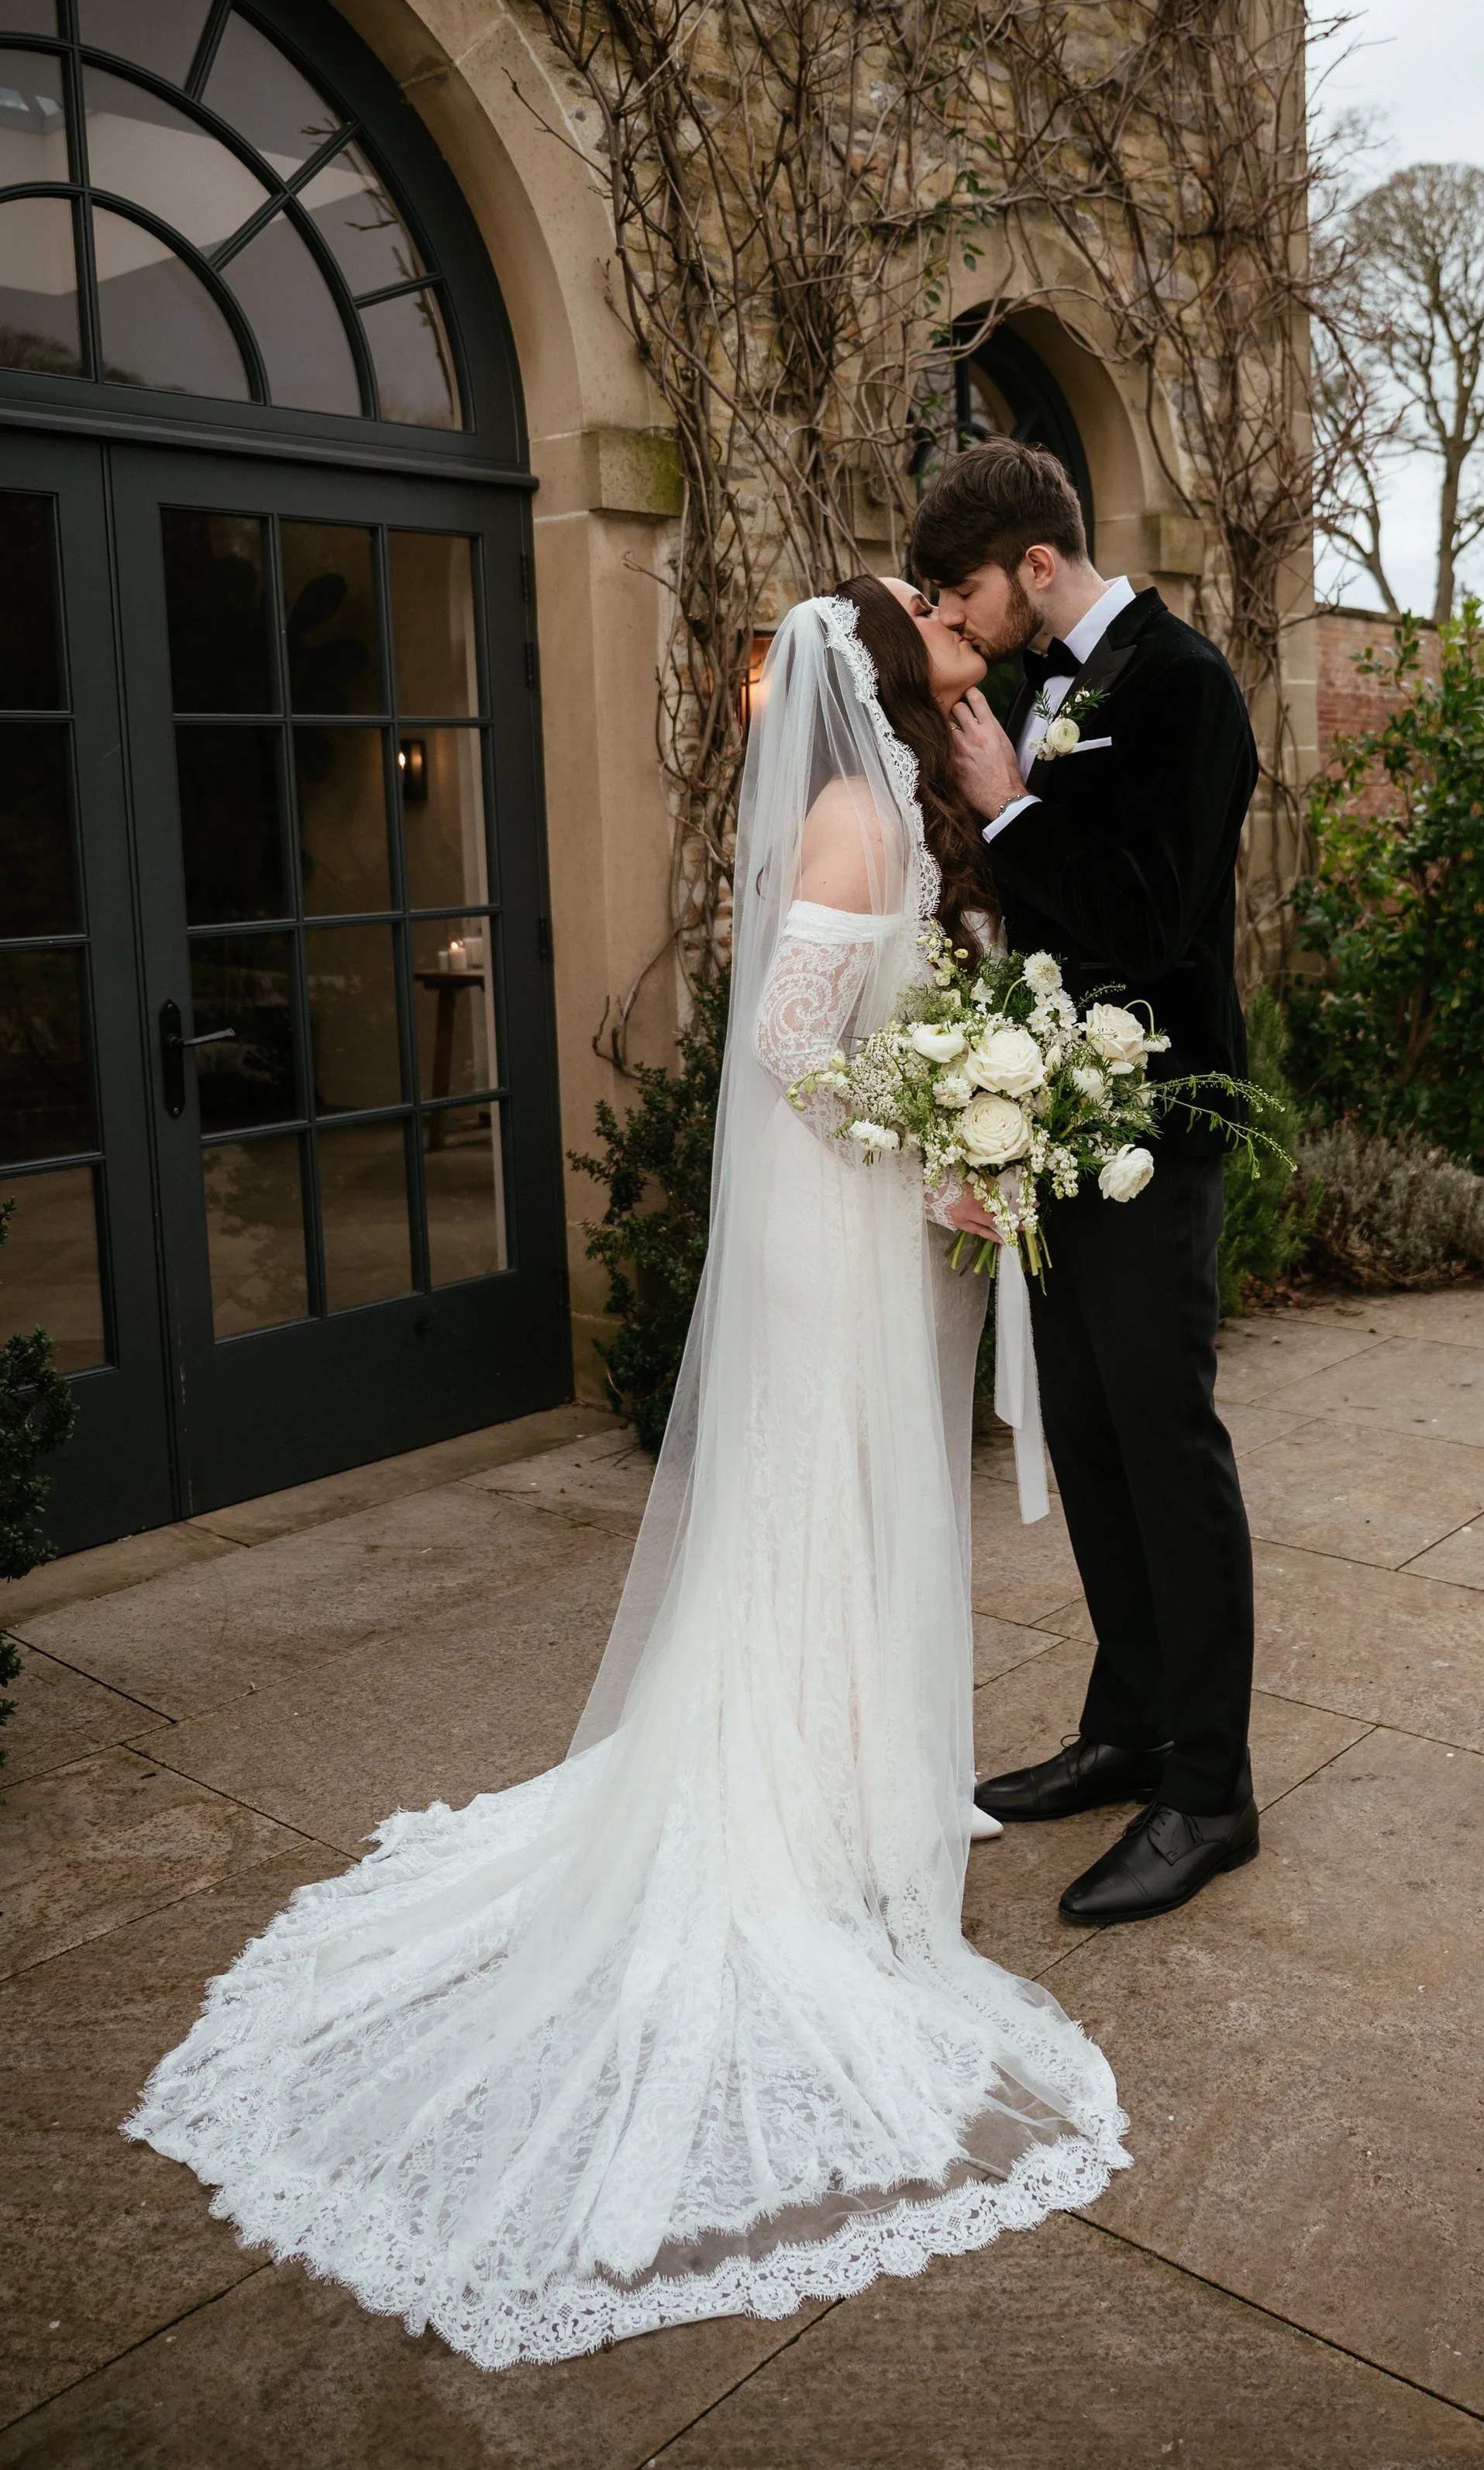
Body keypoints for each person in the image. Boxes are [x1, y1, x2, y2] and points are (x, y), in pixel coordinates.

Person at [123, 575, 1125, 2370]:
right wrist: (931, 1148)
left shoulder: (908, 795)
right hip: (842, 1216)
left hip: (888, 1211)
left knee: (875, 1510)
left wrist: (973, 1120)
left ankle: (846, 1777)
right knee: (823, 1499)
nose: (945, 610)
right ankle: (795, 1807)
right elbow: (788, 1048)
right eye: (926, 609)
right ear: (891, 664)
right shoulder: (842, 808)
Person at [912, 437, 1262, 1927]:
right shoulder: (1030, 692)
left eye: (963, 590)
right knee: (1095, 1437)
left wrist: (1009, 806)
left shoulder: (1184, 687)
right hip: (1058, 1120)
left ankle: (1212, 1791)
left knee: (1166, 1442)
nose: (959, 615)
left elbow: (1148, 918)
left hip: (1158, 1123)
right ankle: (1130, 1726)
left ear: (1035, 568)